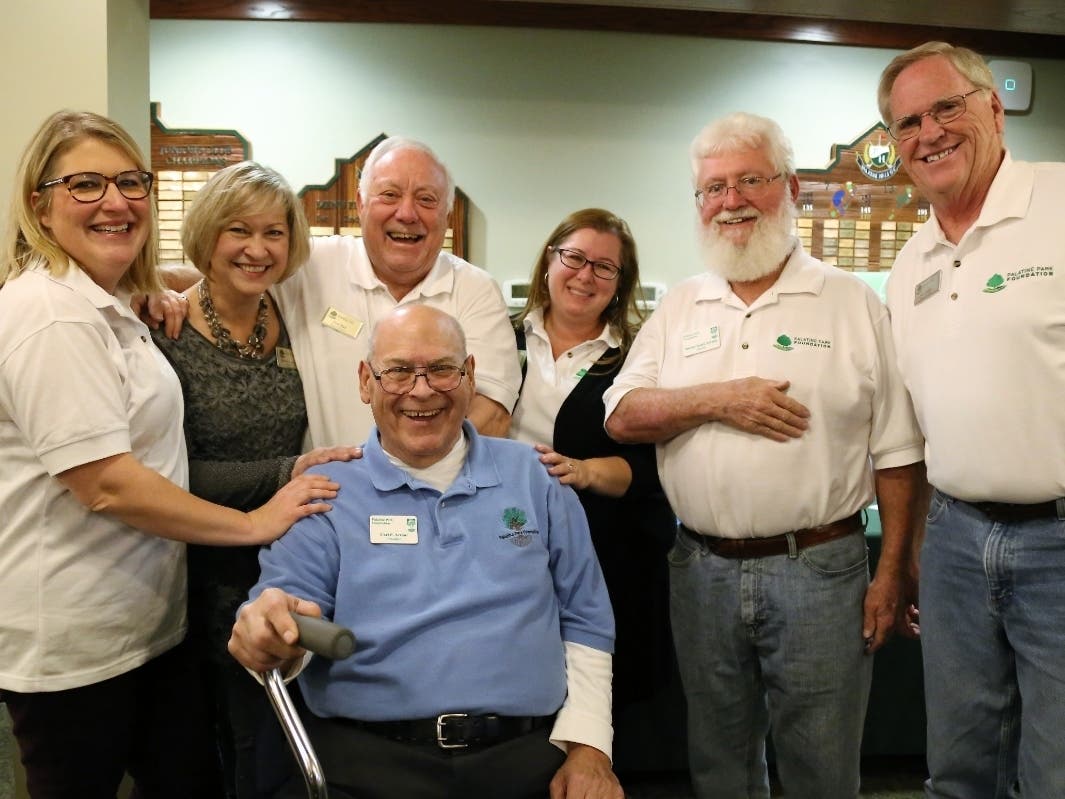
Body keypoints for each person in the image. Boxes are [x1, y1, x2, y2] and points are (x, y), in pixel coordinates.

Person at [0, 110, 339, 799]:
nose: (115, 201)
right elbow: (108, 484)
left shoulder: (117, 304)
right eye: (86, 185)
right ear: (40, 201)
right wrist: (255, 517)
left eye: (130, 182)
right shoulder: (52, 315)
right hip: (75, 634)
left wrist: (167, 287)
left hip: (149, 618)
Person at [603, 112, 924, 799]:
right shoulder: (681, 307)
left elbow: (899, 451)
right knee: (718, 763)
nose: (730, 200)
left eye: (749, 179)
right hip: (701, 570)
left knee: (821, 764)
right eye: (712, 188)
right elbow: (622, 413)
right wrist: (719, 398)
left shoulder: (849, 304)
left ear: (791, 187)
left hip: (820, 569)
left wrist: (893, 571)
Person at [229, 305, 624, 799]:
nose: (421, 390)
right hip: (363, 765)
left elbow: (586, 621)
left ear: (470, 376)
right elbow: (282, 608)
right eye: (397, 371)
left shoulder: (537, 477)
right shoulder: (326, 492)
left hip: (527, 761)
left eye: (441, 369)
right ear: (365, 382)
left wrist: (589, 750)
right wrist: (272, 629)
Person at [878, 42, 1065, 798]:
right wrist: (919, 539)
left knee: (1052, 770)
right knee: (957, 766)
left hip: (1057, 539)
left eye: (945, 107)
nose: (928, 133)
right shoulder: (910, 261)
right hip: (955, 541)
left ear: (993, 107)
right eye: (906, 122)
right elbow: (918, 421)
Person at [152, 161, 359, 798]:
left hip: (287, 553)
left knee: (280, 738)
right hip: (201, 565)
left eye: (274, 233)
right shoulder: (166, 332)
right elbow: (168, 473)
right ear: (208, 233)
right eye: (238, 231)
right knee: (226, 742)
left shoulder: (292, 311)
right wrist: (285, 473)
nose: (258, 249)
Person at [510, 209, 674, 725]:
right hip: (507, 547)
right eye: (574, 258)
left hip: (606, 554)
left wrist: (582, 472)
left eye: (605, 268)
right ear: (548, 263)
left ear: (620, 285)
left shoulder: (641, 356)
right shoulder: (499, 338)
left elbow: (649, 471)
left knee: (594, 706)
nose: (585, 275)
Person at [265, 136, 521, 445]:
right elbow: (229, 271)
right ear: (360, 204)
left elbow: (492, 414)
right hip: (332, 488)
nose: (407, 213)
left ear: (447, 215)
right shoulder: (310, 266)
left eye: (426, 199)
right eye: (389, 195)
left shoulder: (475, 290)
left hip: (442, 490)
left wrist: (403, 476)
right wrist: (187, 302)